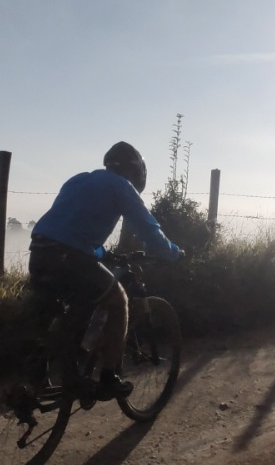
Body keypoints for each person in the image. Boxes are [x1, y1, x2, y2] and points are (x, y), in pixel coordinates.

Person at [29, 141, 182, 403]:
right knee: (118, 301)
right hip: (73, 259)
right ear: (136, 173)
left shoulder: (77, 180)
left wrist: (102, 253)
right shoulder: (121, 187)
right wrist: (172, 252)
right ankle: (109, 377)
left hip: (41, 251)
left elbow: (71, 225)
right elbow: (149, 230)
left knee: (61, 311)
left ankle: (38, 376)